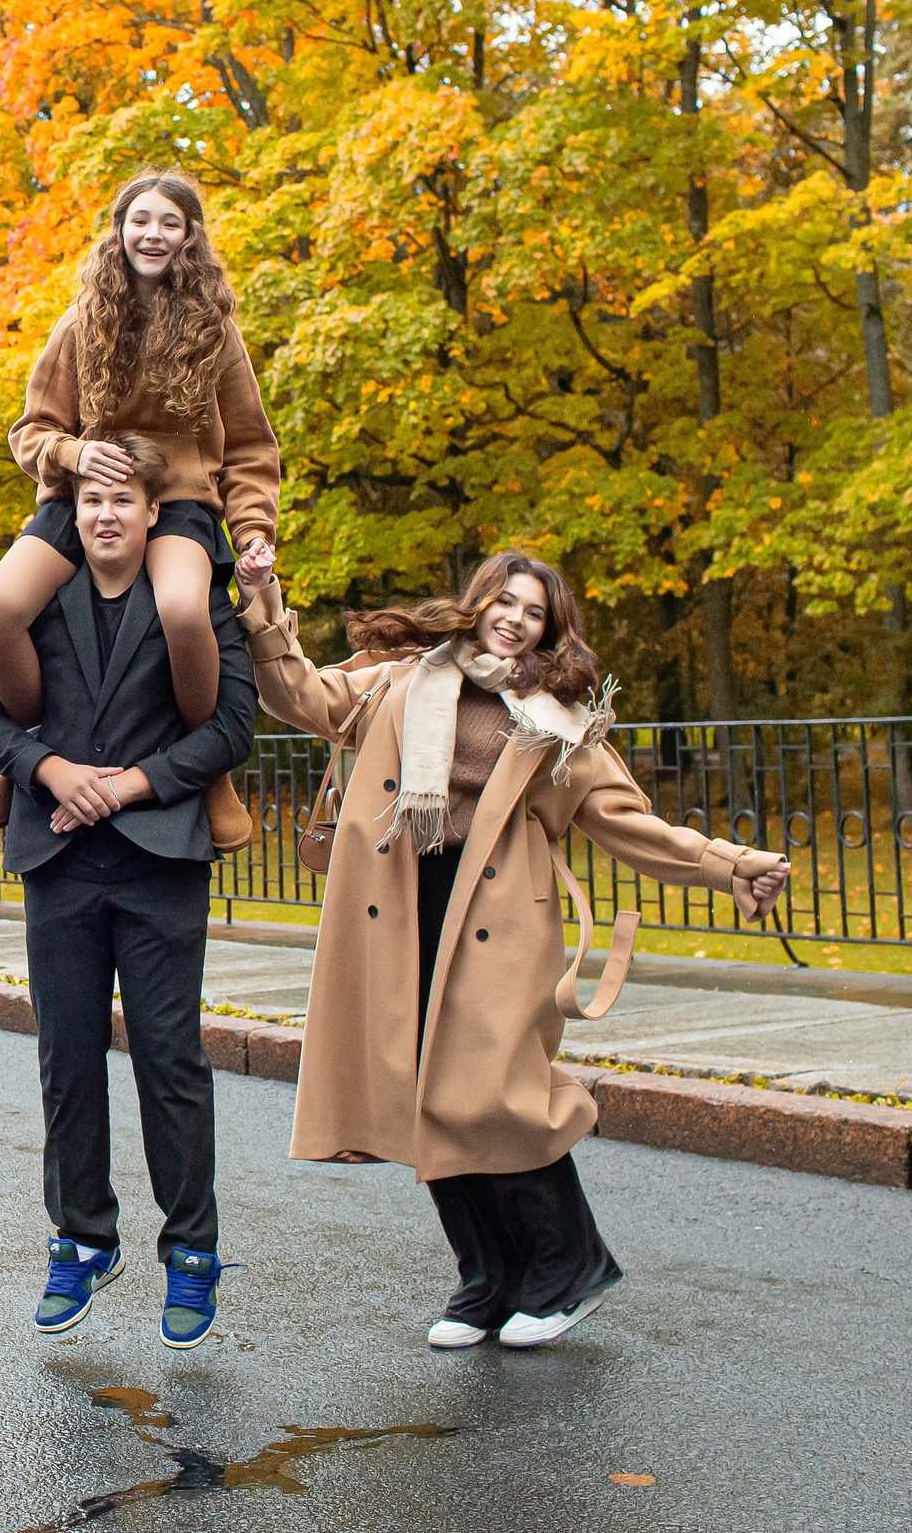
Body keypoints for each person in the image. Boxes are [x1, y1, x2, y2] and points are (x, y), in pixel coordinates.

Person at [234, 545, 793, 1348]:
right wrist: (261, 593)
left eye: (534, 612)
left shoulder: (557, 718)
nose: (515, 619)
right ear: (480, 600)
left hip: (496, 919)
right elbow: (301, 695)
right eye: (506, 601)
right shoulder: (404, 676)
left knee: (493, 1092)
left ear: (548, 632)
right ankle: (488, 1280)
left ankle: (572, 1268)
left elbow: (623, 820)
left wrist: (729, 864)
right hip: (397, 909)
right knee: (421, 1091)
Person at [0, 433, 257, 1349]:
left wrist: (127, 783)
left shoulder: (196, 603)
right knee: (67, 1058)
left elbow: (234, 728)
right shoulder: (38, 602)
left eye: (123, 502)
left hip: (158, 854)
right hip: (58, 853)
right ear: (73, 513)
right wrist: (52, 768)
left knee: (170, 1058)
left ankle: (192, 1252)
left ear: (151, 515)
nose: (104, 515)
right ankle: (82, 1237)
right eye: (91, 501)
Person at [0, 168, 280, 855]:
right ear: (119, 231)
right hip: (87, 496)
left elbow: (253, 446)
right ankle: (26, 756)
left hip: (178, 500)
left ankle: (208, 770)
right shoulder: (81, 324)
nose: (154, 234)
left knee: (180, 610)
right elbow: (31, 432)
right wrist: (77, 456)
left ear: (190, 237)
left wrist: (254, 531)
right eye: (141, 220)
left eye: (171, 222)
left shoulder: (214, 332)